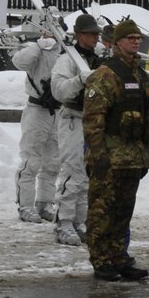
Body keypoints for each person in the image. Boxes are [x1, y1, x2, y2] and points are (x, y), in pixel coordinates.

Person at [81, 19, 149, 281]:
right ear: (117, 42)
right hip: (109, 157)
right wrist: (98, 156)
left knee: (123, 212)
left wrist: (148, 140)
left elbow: (146, 113)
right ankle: (101, 260)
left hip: (132, 157)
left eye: (138, 37)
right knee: (102, 211)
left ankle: (118, 256)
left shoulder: (141, 76)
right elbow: (93, 120)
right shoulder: (105, 75)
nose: (136, 41)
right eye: (130, 38)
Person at [50, 14, 102, 246]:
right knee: (72, 171)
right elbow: (58, 91)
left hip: (94, 119)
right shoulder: (67, 60)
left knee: (88, 174)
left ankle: (80, 220)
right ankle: (63, 221)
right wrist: (80, 80)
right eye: (91, 34)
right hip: (73, 117)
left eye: (96, 34)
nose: (95, 38)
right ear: (80, 35)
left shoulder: (98, 59)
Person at [10, 23, 63, 223]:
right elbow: (19, 61)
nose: (51, 35)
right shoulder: (37, 50)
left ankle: (45, 203)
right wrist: (37, 45)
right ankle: (25, 205)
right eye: (48, 31)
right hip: (36, 111)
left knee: (53, 162)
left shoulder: (66, 52)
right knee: (31, 160)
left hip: (58, 111)